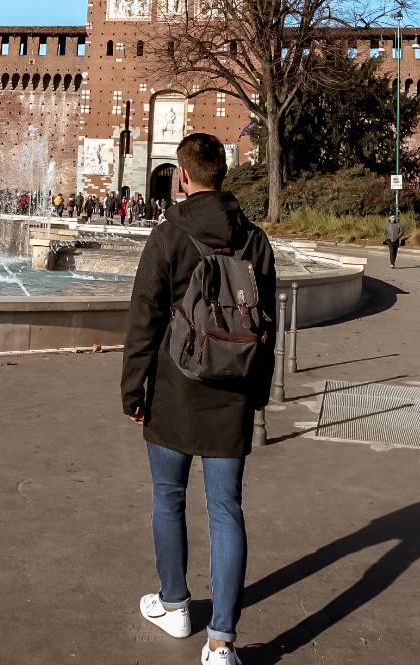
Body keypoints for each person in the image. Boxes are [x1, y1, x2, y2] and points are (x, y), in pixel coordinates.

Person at [121, 133, 277, 665]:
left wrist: (133, 391)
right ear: (224, 176)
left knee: (168, 497)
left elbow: (143, 319)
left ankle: (175, 605)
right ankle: (221, 643)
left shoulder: (168, 236)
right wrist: (257, 395)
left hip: (173, 388)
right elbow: (267, 328)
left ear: (182, 177)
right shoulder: (255, 241)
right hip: (233, 391)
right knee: (226, 510)